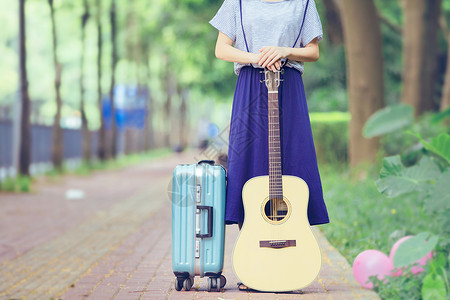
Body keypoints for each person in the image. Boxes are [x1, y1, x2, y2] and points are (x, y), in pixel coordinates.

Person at [209, 1, 330, 288]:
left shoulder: (303, 4)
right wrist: (256, 57)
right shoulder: (236, 3)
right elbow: (222, 49)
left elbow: (313, 51)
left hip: (289, 86)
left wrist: (285, 51)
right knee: (250, 163)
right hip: (251, 83)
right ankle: (256, 262)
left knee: (293, 160)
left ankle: (292, 255)